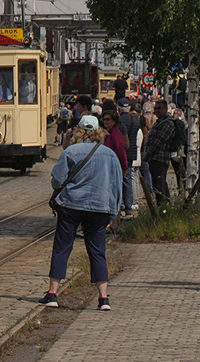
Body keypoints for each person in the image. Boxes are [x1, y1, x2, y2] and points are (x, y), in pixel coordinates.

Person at [39, 114, 122, 311]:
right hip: (99, 208)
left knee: (62, 247)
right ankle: (103, 298)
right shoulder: (109, 154)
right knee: (97, 251)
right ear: (99, 132)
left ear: (79, 131)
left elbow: (57, 179)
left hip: (71, 205)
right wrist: (114, 211)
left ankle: (52, 294)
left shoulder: (71, 151)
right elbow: (116, 184)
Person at [140, 99, 178, 203]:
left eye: (159, 108)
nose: (156, 110)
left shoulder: (167, 123)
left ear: (165, 109)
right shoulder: (159, 121)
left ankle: (163, 206)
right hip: (154, 158)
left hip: (160, 158)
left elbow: (158, 141)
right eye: (155, 108)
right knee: (159, 183)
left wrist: (147, 154)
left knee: (159, 184)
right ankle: (164, 206)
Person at [118, 101, 141, 212]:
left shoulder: (119, 121)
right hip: (132, 152)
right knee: (128, 179)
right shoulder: (135, 121)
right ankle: (129, 204)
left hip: (121, 153)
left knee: (120, 179)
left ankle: (122, 204)